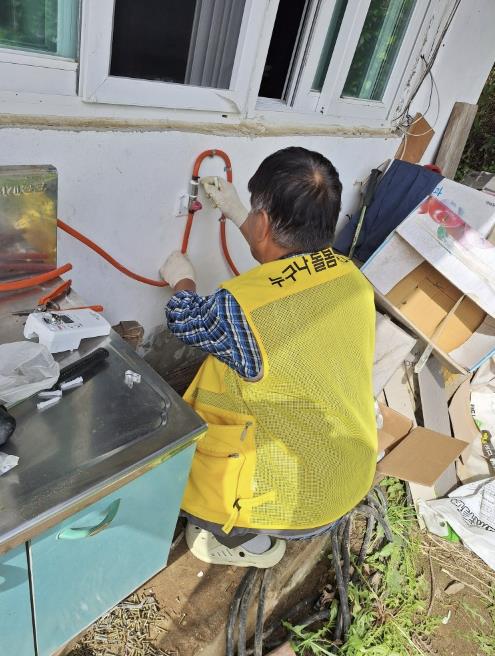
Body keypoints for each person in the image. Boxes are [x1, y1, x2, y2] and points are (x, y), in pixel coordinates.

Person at [160, 147, 377, 568]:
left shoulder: (239, 311)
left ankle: (246, 541)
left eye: (254, 214)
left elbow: (184, 318)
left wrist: (182, 279)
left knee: (189, 492)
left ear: (263, 223)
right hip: (350, 473)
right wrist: (240, 214)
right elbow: (288, 260)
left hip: (290, 502)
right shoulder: (351, 279)